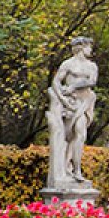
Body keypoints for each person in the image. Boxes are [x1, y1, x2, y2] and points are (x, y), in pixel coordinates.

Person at [46, 36, 98, 189]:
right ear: (81, 48)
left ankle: (76, 170)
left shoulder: (91, 66)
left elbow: (92, 81)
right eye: (89, 47)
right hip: (69, 103)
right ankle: (67, 168)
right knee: (68, 136)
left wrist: (74, 86)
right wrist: (63, 99)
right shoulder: (68, 64)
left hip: (84, 102)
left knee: (80, 134)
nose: (91, 50)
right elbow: (56, 82)